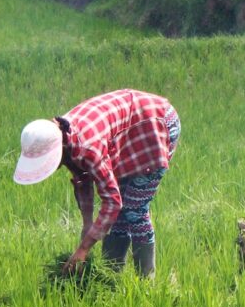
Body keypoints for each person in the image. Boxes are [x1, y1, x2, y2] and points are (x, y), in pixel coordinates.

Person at [14, 89, 181, 277]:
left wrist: (84, 249)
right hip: (129, 132)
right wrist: (87, 224)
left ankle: (146, 282)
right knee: (118, 215)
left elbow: (112, 202)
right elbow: (82, 178)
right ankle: (111, 276)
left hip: (156, 124)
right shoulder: (64, 138)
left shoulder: (87, 147)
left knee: (134, 209)